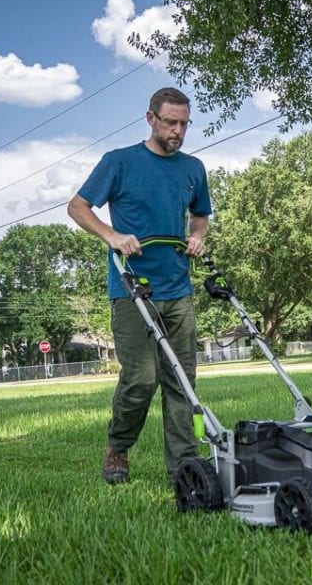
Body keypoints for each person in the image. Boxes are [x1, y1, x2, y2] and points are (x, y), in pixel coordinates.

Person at [67, 87, 212, 485]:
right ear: (150, 119)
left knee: (181, 380)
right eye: (170, 122)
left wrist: (197, 236)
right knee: (141, 379)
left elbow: (200, 215)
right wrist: (112, 235)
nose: (177, 130)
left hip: (177, 287)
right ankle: (117, 447)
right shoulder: (120, 162)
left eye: (184, 124)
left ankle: (183, 468)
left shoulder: (193, 168)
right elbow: (77, 207)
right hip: (131, 289)